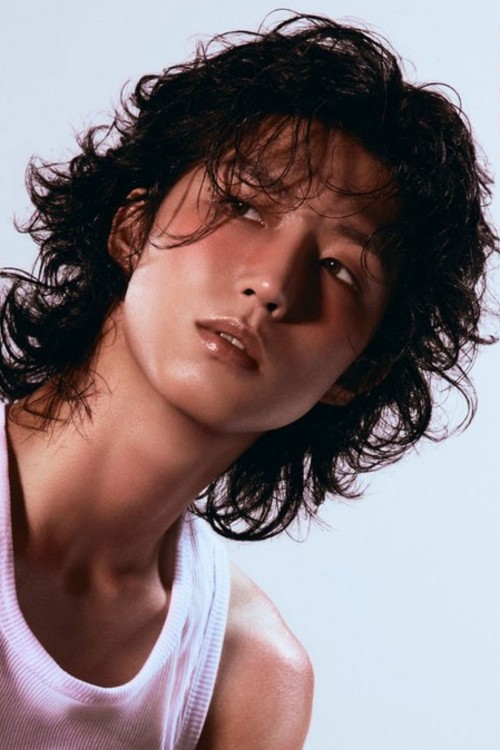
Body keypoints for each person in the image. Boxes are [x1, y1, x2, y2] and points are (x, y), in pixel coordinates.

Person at [0, 11, 496, 750]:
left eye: (338, 268)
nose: (272, 285)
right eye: (242, 205)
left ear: (360, 372)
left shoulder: (248, 674)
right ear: (133, 227)